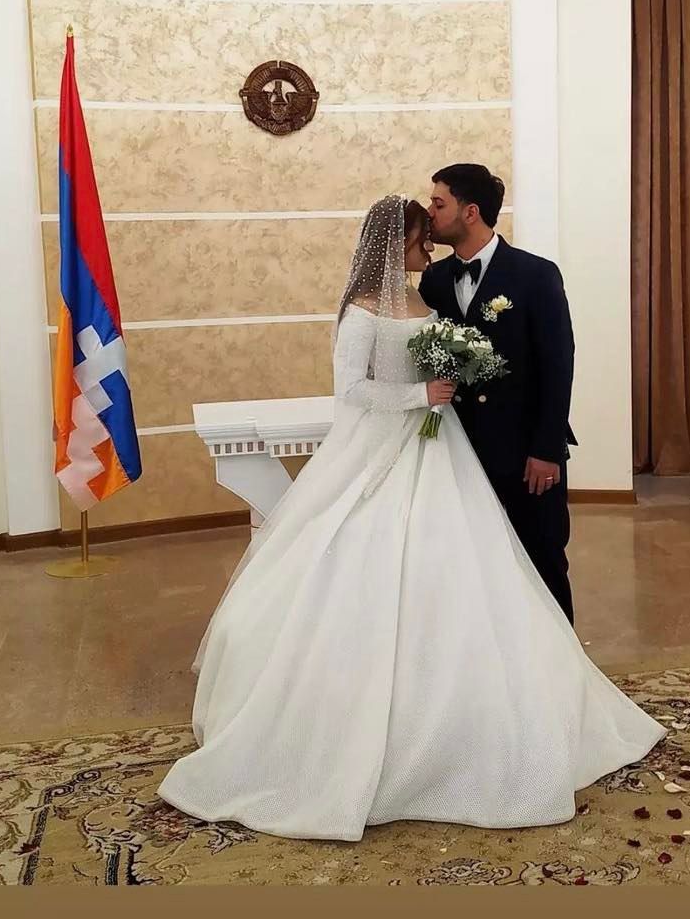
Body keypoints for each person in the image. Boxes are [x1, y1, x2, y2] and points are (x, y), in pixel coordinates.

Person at [158, 195, 663, 841]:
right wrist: (417, 393)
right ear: (396, 242)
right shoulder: (362, 310)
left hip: (440, 446)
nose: (429, 247)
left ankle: (494, 705)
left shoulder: (425, 295)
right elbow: (350, 390)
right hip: (383, 448)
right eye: (421, 238)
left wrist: (452, 375)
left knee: (470, 568)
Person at [420, 164, 576, 622]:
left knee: (543, 558)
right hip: (460, 451)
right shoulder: (433, 279)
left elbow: (558, 365)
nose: (430, 213)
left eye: (438, 203)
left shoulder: (535, 274)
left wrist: (546, 449)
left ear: (470, 212)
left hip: (526, 452)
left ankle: (559, 659)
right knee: (472, 565)